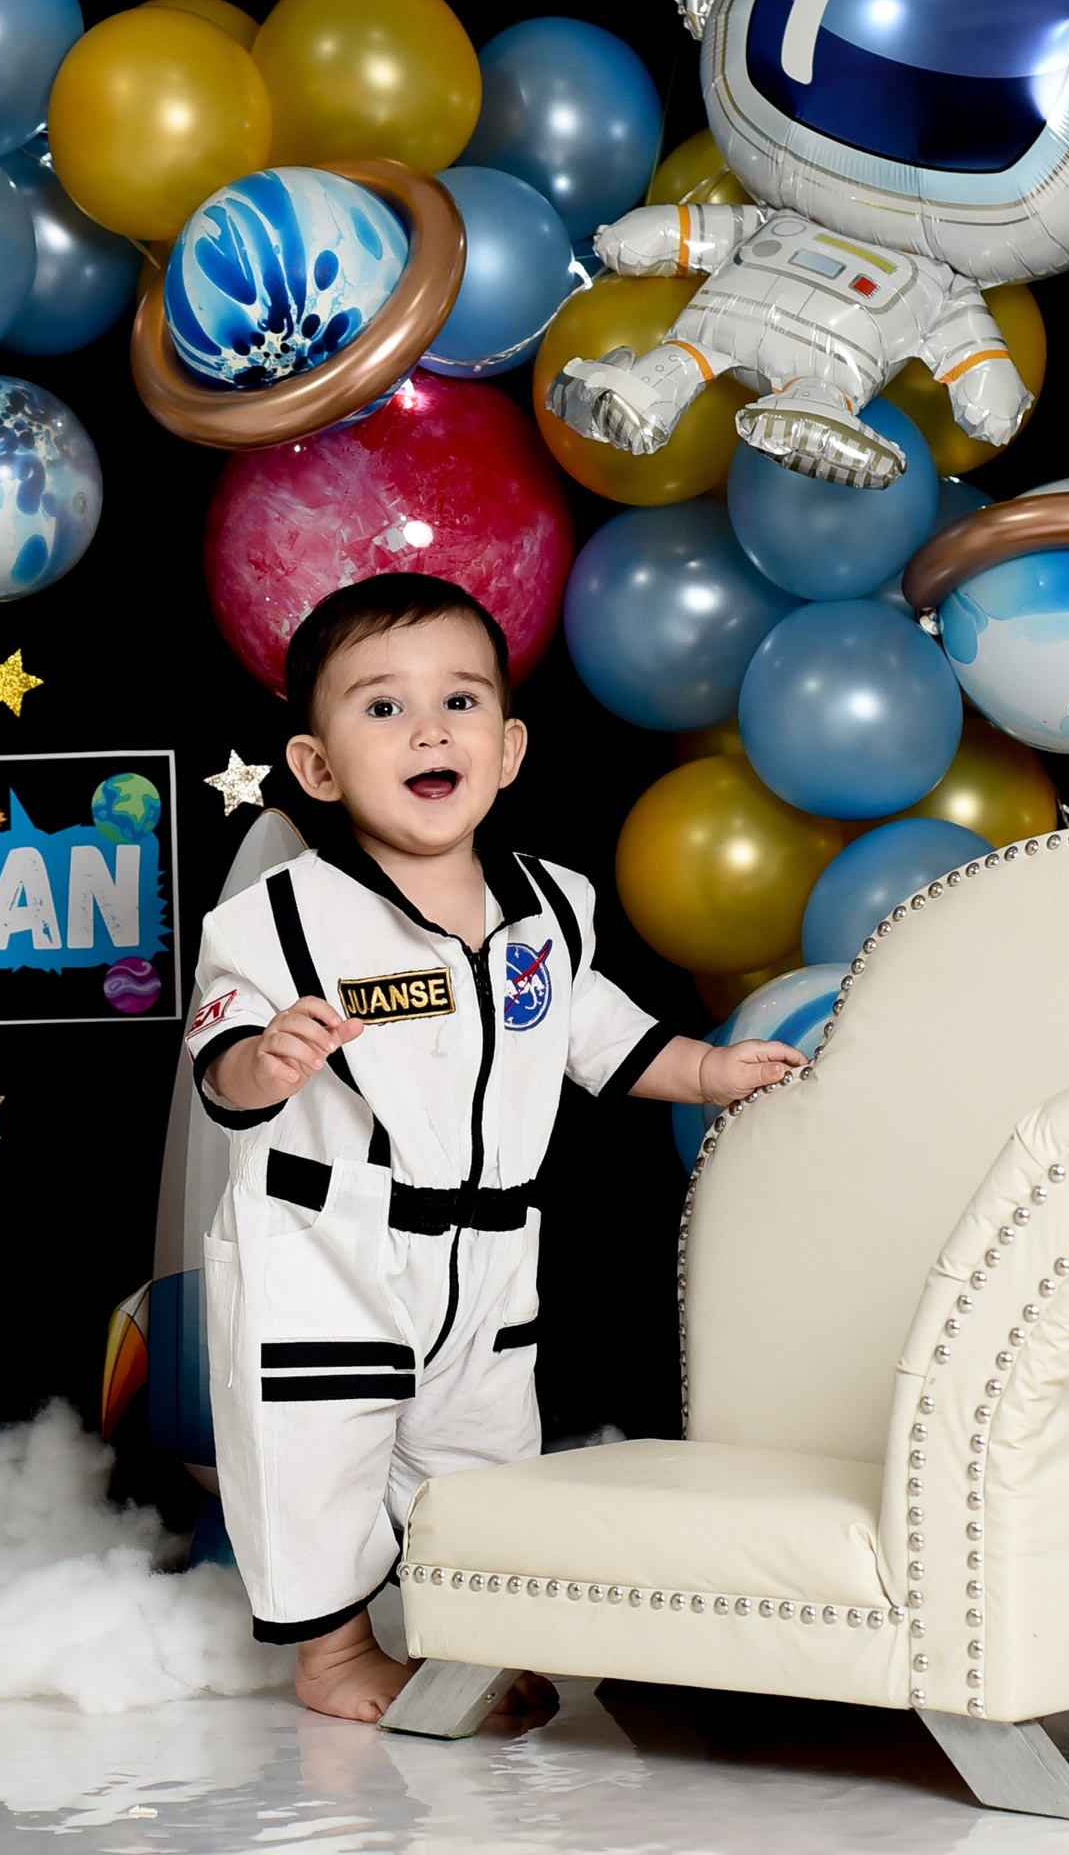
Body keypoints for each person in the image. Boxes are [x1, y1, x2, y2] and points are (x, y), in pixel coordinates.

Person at [185, 573, 805, 1722]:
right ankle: (335, 1656)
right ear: (316, 766)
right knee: (316, 1451)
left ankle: (469, 1637)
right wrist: (265, 1060)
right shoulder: (280, 916)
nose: (428, 729)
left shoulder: (547, 908)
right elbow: (215, 1061)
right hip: (331, 1242)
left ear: (508, 747)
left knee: (477, 1456)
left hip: (488, 1247)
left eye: (460, 700)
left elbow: (601, 1035)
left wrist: (707, 1070)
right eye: (382, 707)